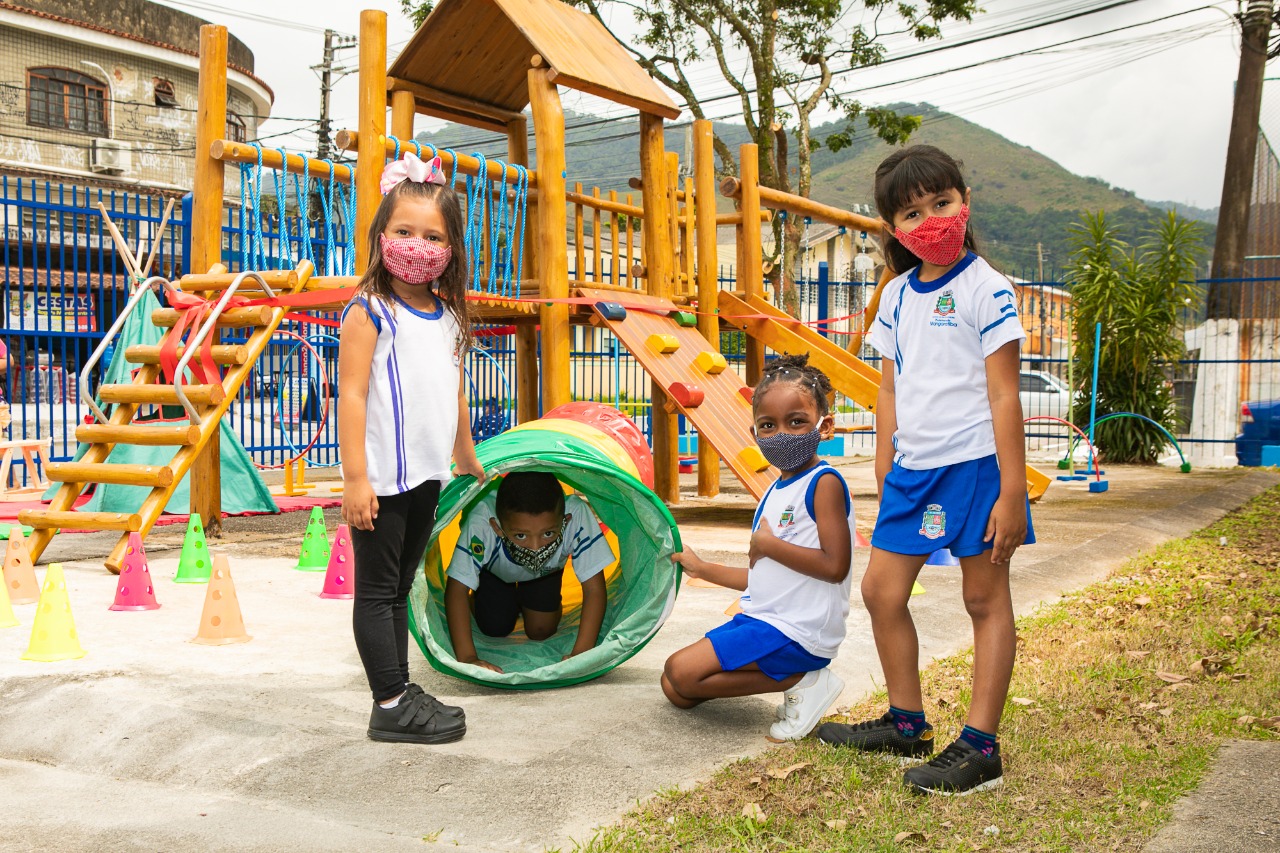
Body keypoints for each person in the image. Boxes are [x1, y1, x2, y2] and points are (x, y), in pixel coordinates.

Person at [816, 145, 1035, 796]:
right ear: (893, 228)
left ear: (965, 203)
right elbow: (888, 387)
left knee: (982, 597)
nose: (931, 219)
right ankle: (907, 722)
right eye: (913, 212)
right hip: (914, 471)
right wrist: (885, 458)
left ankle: (980, 745)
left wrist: (1014, 490)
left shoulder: (986, 287)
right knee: (882, 591)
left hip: (974, 469)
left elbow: (1004, 394)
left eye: (942, 203)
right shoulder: (895, 296)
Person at [338, 152, 482, 745]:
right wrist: (353, 479)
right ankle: (389, 702)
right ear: (380, 236)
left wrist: (465, 454)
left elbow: (453, 390)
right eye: (403, 232)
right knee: (376, 591)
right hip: (380, 479)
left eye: (432, 236)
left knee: (400, 588)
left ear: (450, 249)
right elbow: (349, 394)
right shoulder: (369, 311)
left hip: (426, 475)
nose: (416, 245)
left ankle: (397, 689)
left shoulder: (447, 316)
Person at [663, 353, 854, 742]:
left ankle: (804, 677)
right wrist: (703, 569)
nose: (780, 434)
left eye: (796, 422)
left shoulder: (825, 483)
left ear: (825, 425)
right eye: (768, 425)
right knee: (676, 691)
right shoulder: (774, 490)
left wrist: (768, 543)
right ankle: (796, 678)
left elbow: (835, 566)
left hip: (796, 630)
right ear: (754, 434)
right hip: (767, 619)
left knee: (681, 671)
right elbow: (766, 579)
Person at [445, 471, 613, 672]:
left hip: (545, 572)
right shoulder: (482, 519)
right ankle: (489, 598)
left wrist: (581, 655)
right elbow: (456, 589)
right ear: (497, 526)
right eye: (521, 535)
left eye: (548, 533)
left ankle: (529, 601)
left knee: (541, 630)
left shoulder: (576, 515)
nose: (535, 547)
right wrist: (469, 659)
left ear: (565, 520)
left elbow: (594, 589)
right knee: (494, 627)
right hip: (495, 573)